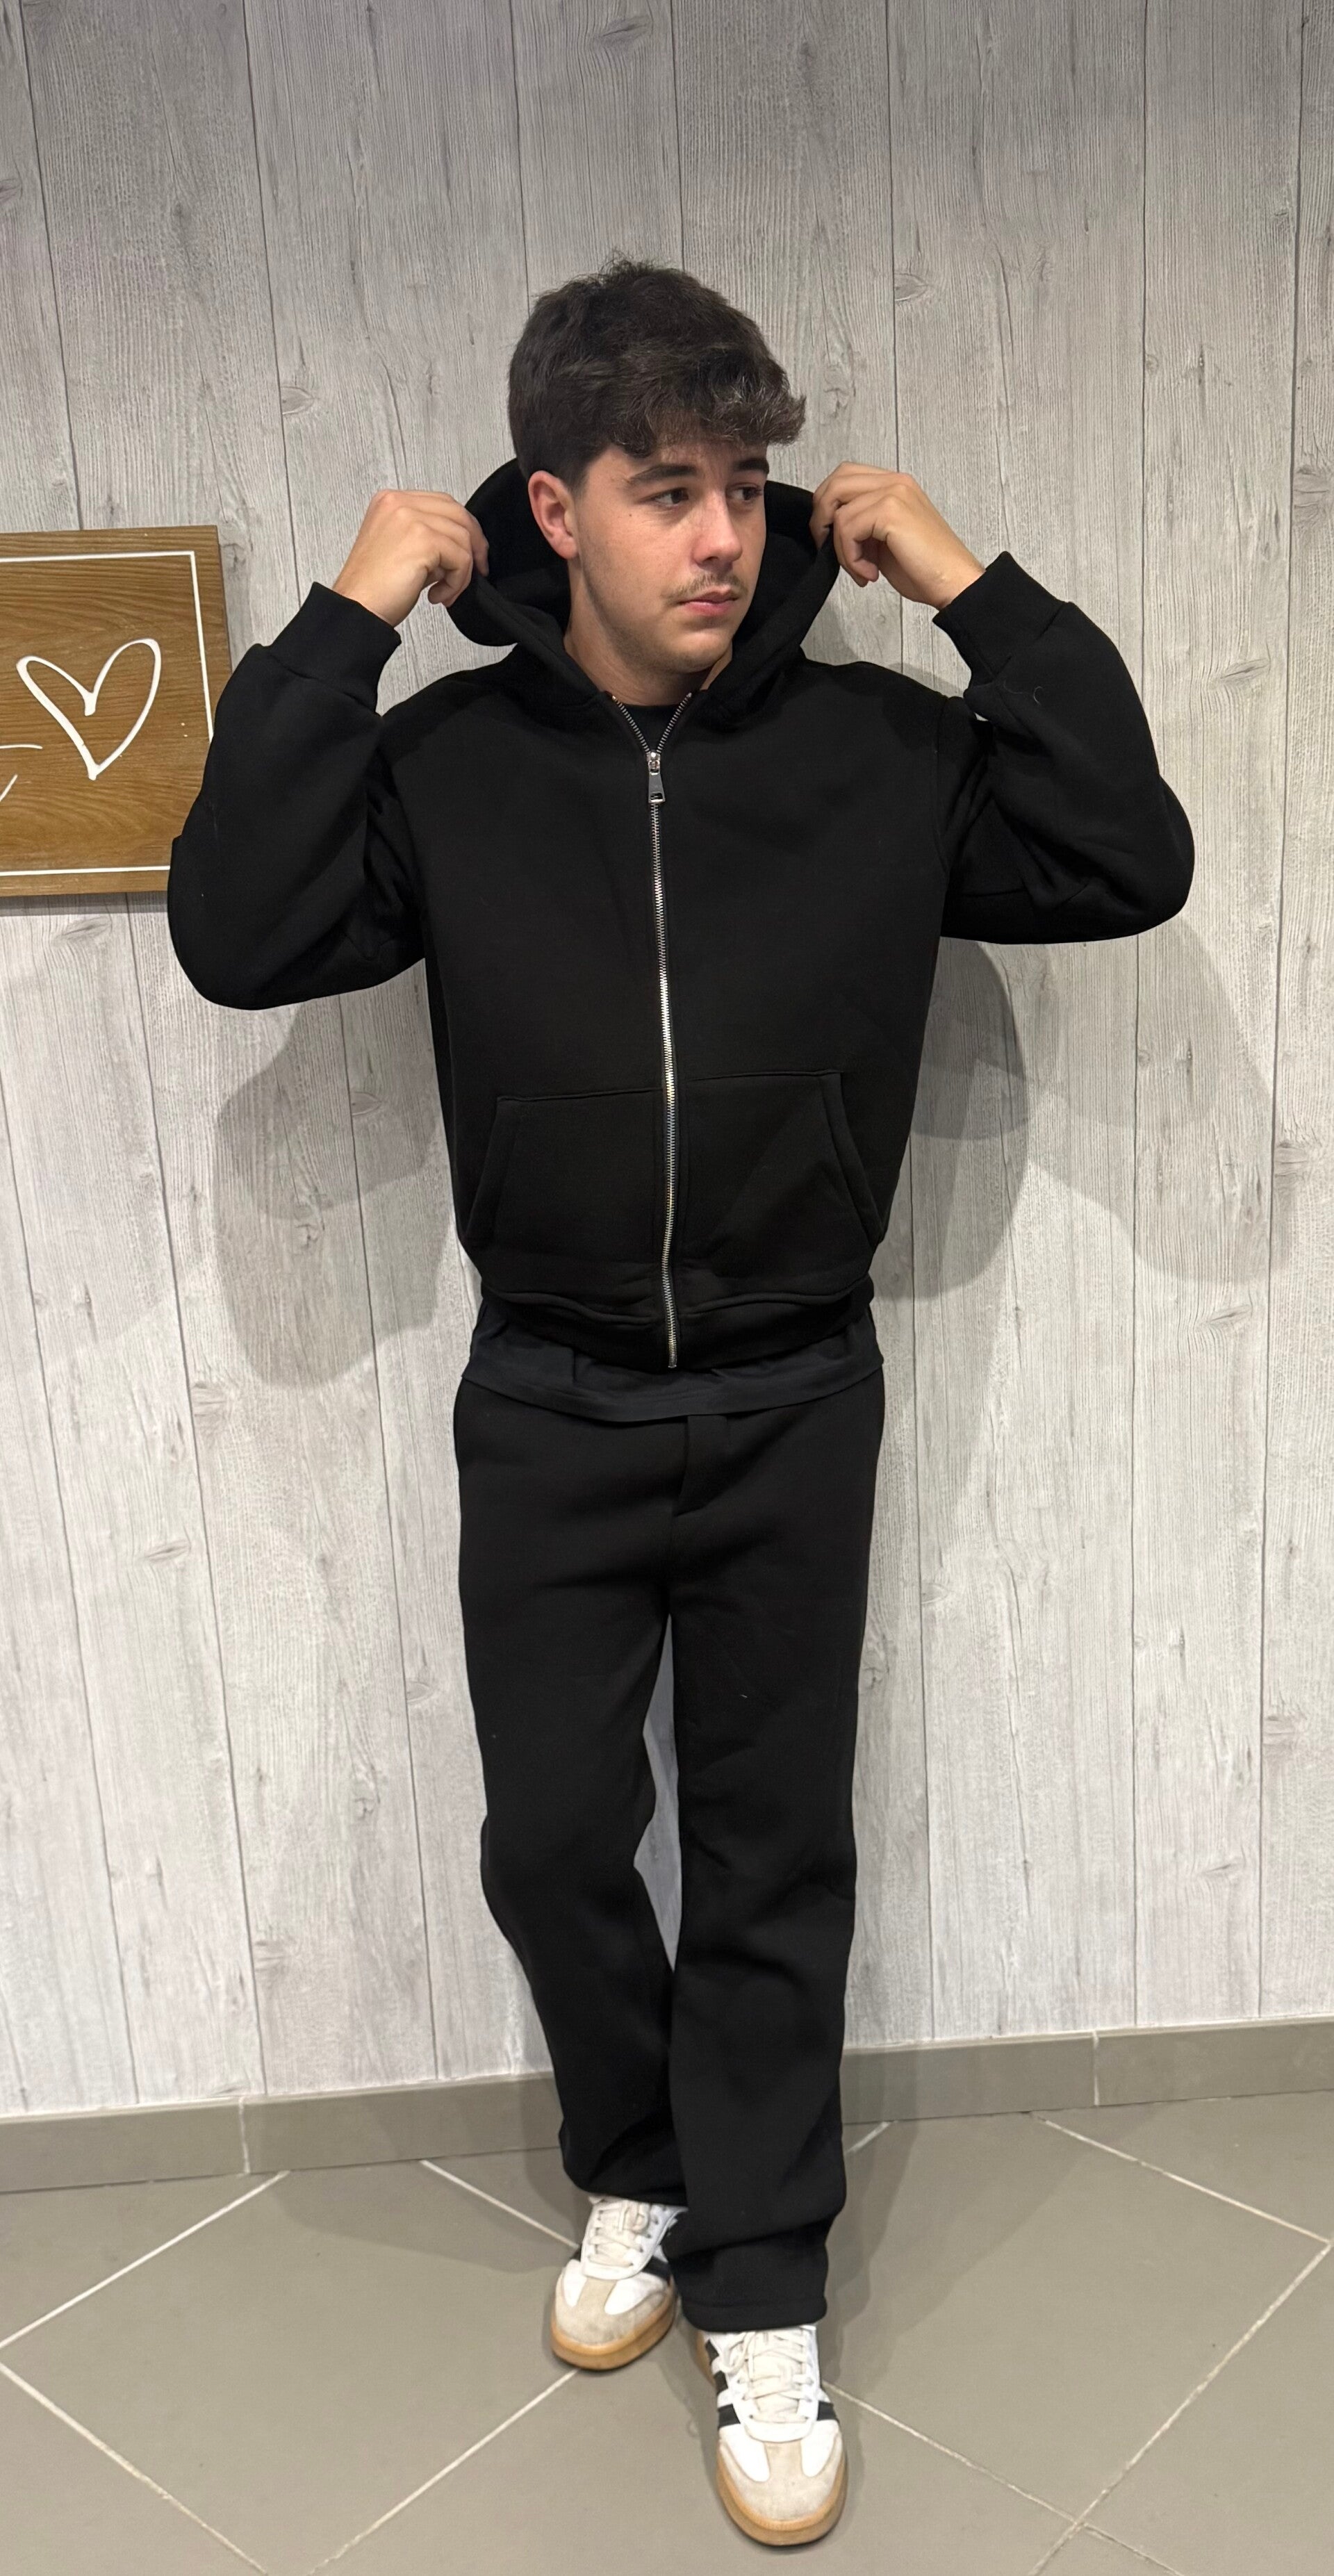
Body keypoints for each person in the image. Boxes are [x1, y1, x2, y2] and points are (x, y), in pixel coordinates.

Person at [167, 252, 1194, 2547]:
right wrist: (341, 624)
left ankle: (766, 2281)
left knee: (769, 1852)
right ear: (553, 510)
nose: (726, 534)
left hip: (796, 1381)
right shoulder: (449, 766)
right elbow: (236, 926)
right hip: (546, 1390)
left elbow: (1132, 854)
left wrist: (976, 587)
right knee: (550, 1838)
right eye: (667, 490)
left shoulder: (881, 757)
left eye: (745, 485)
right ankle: (638, 2160)